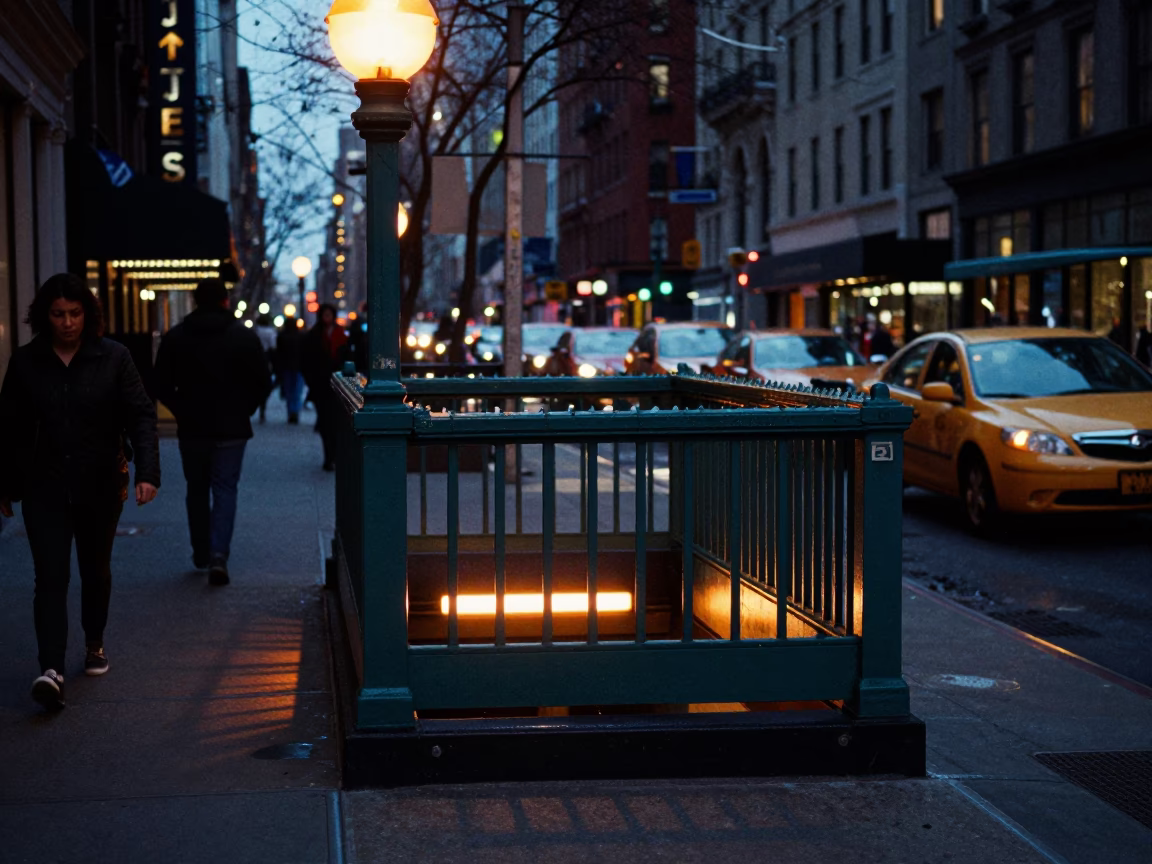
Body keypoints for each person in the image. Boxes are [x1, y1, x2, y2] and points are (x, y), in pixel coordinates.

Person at [0, 273, 160, 710]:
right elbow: (8, 427)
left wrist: (148, 472)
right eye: (57, 314)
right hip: (43, 485)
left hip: (99, 485)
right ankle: (50, 669)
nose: (67, 322)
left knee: (95, 571)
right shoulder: (27, 362)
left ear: (87, 315)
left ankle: (94, 641)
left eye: (74, 313)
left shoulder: (113, 358)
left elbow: (141, 415)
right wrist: (4, 484)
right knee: (49, 577)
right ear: (44, 316)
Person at [153, 279, 270, 586]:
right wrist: (245, 408)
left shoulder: (176, 337)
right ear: (224, 301)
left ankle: (201, 551)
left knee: (196, 488)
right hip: (232, 426)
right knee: (225, 488)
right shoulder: (243, 337)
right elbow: (262, 380)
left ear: (194, 301)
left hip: (193, 427)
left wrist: (181, 409)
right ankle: (219, 553)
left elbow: (161, 383)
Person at [302, 303, 348, 471]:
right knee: (325, 421)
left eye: (330, 315)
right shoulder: (313, 335)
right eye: (325, 315)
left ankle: (334, 455)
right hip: (320, 385)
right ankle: (329, 456)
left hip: (338, 385)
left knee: (335, 421)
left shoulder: (341, 334)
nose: (327, 318)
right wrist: (311, 381)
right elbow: (306, 360)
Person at [276, 316, 306, 423]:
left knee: (289, 391)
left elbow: (278, 353)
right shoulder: (301, 336)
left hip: (286, 367)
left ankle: (291, 411)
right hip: (298, 367)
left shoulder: (282, 336)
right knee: (297, 391)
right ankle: (295, 411)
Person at [254, 313, 278, 423]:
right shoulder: (270, 332)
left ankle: (258, 403)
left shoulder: (255, 331)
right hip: (266, 358)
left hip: (255, 357)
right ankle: (263, 406)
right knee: (266, 383)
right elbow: (273, 346)